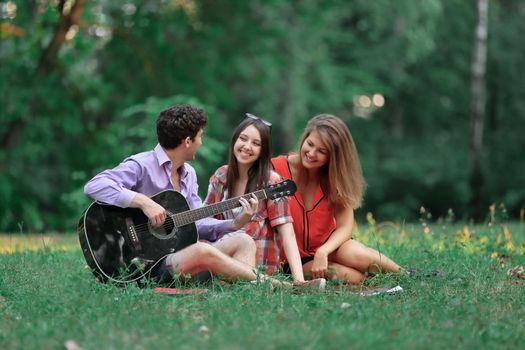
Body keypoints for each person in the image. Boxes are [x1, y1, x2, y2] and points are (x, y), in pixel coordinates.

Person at [84, 104, 278, 285]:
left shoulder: (188, 174)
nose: (201, 143)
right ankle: (273, 284)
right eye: (200, 137)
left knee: (244, 240)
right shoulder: (142, 165)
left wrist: (235, 223)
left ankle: (247, 291)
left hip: (178, 257)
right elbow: (95, 185)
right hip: (145, 265)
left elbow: (196, 222)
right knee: (202, 250)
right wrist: (143, 202)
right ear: (187, 142)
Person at [271, 114, 402, 284]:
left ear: (334, 156)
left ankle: (408, 276)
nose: (311, 153)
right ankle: (375, 284)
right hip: (292, 259)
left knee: (361, 255)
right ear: (304, 139)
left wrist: (323, 251)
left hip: (330, 246)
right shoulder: (275, 169)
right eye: (310, 144)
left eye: (322, 151)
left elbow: (345, 227)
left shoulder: (335, 178)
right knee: (346, 276)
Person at [203, 114, 326, 289]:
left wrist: (299, 280)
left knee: (242, 242)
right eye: (243, 139)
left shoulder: (272, 182)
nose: (247, 147)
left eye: (256, 143)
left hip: (256, 265)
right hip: (222, 256)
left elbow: (287, 233)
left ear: (263, 150)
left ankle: (288, 286)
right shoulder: (221, 176)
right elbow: (202, 221)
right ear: (234, 140)